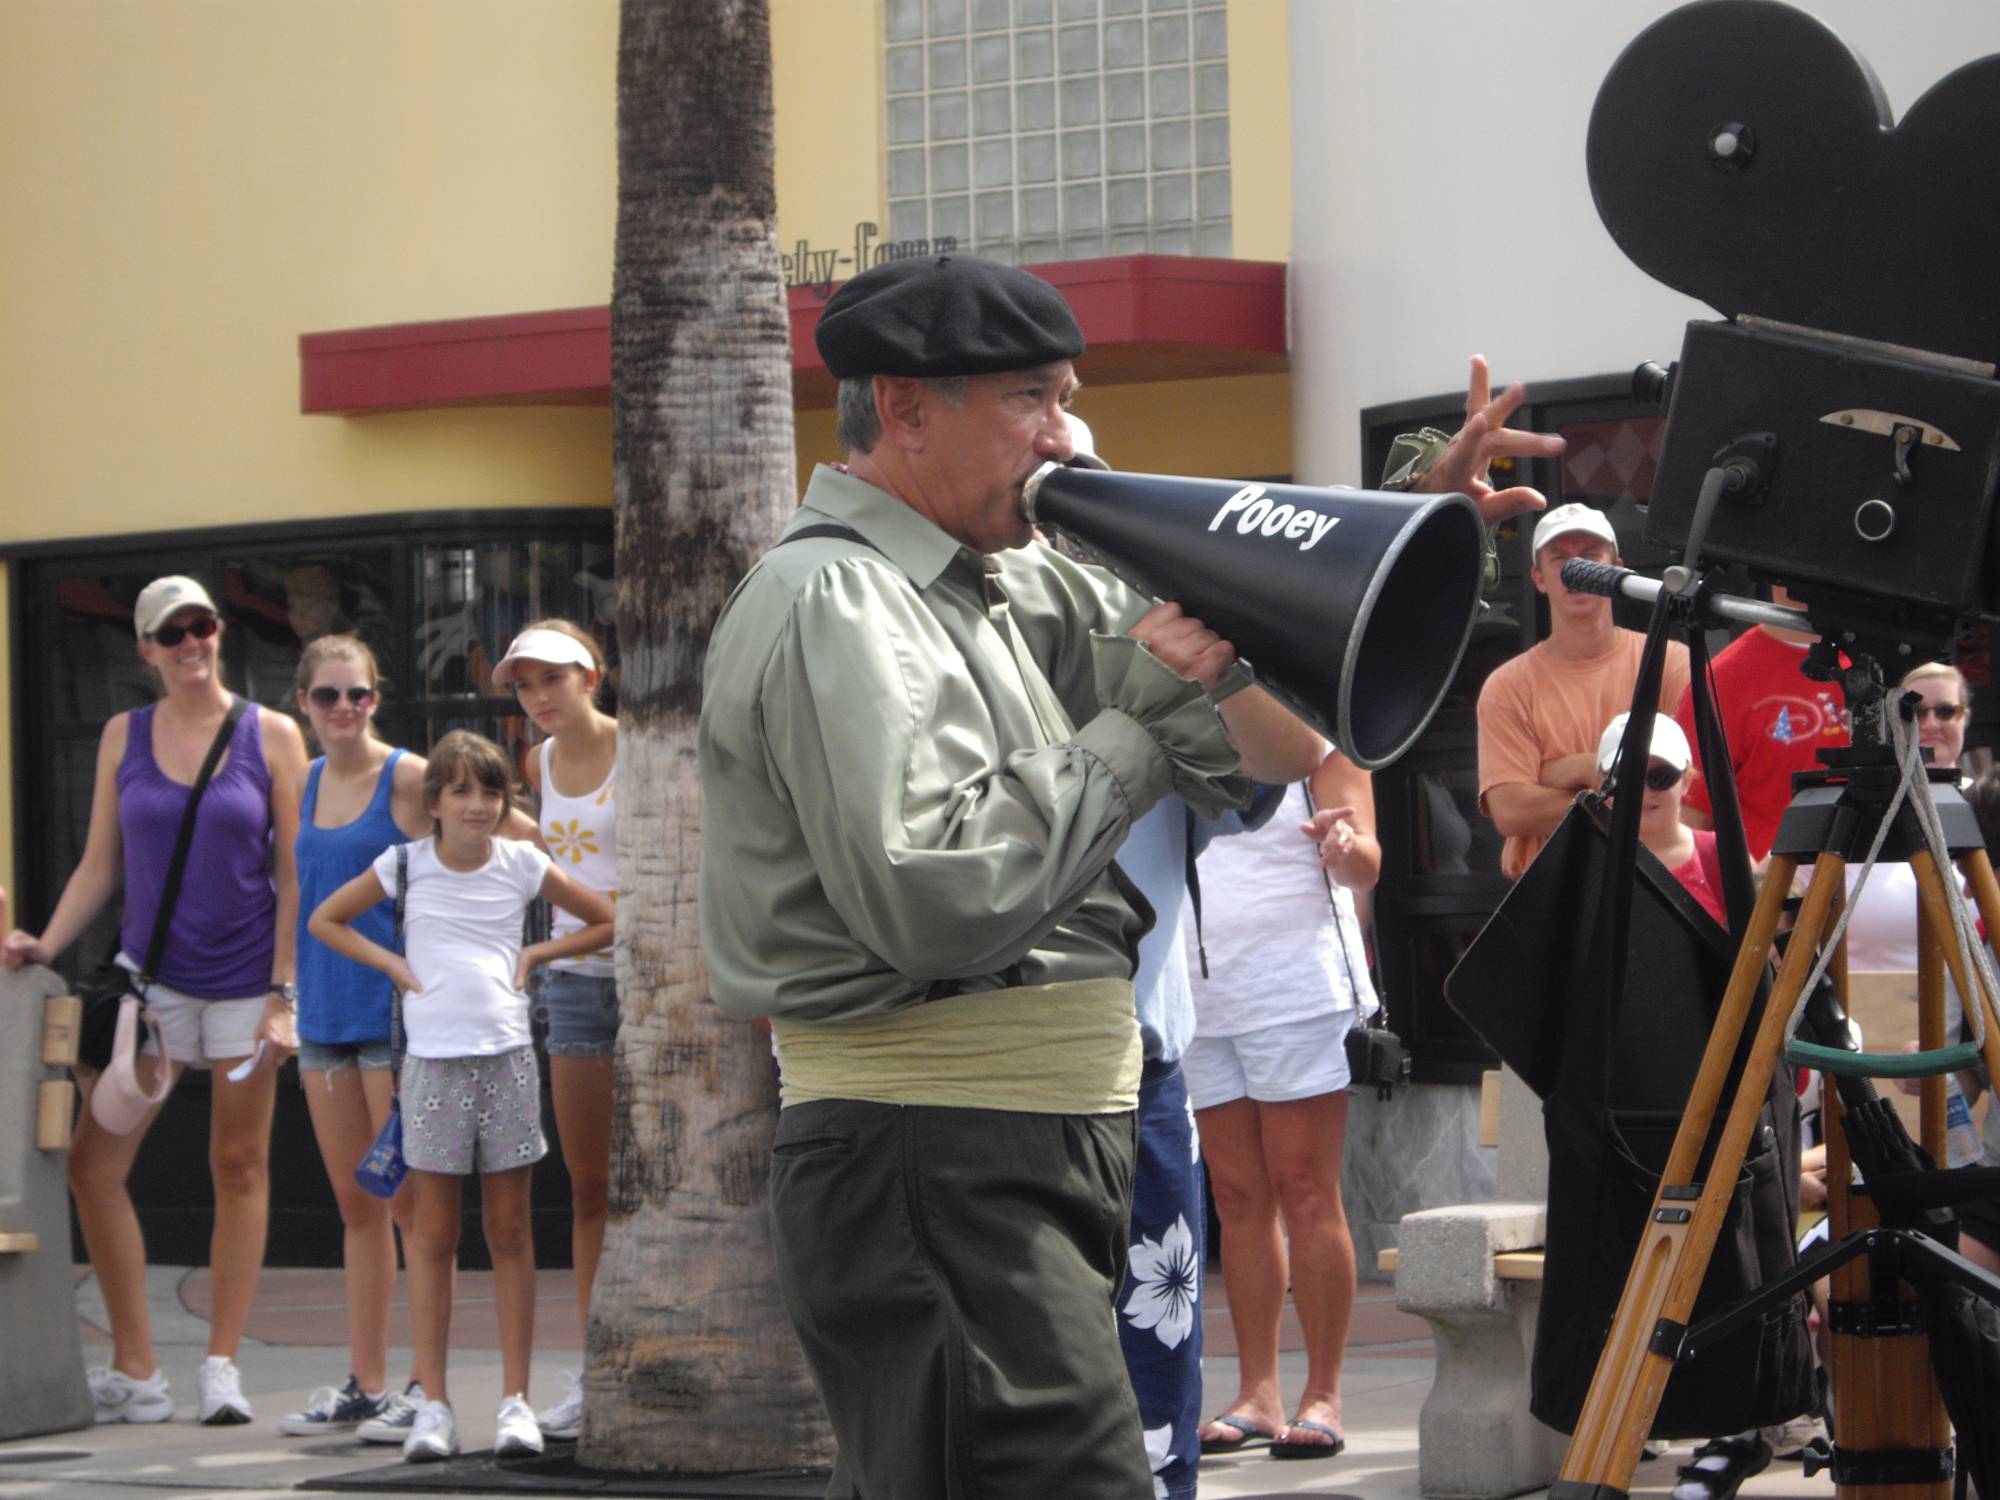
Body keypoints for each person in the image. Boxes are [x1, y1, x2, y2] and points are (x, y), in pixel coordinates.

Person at [698, 253, 1554, 1495]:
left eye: (1065, 394)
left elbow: (1267, 745)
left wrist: (1372, 544)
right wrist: (1131, 728)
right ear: (905, 406)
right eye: (1029, 399)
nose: (1062, 436)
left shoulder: (993, 582)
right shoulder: (834, 596)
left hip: (1026, 1136)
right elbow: (937, 895)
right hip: (933, 1139)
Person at [1056, 415, 1321, 1497]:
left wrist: (1197, 629)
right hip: (980, 1078)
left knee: (1151, 1397)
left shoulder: (1156, 647)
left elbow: (1289, 753)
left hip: (1139, 1071)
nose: (1068, 519)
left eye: (1084, 488)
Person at [2, 576, 308, 1425]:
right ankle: (137, 1368)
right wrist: (44, 943)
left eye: (201, 625)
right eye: (170, 633)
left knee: (238, 1165)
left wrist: (285, 994)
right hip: (153, 988)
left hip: (247, 989)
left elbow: (293, 876)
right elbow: (99, 863)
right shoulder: (121, 735)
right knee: (96, 1169)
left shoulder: (271, 733)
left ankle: (221, 1367)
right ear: (144, 650)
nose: (189, 643)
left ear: (219, 633)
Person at [309, 732, 614, 1464]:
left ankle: (516, 1400)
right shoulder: (403, 864)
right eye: (462, 792)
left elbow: (605, 917)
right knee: (433, 1238)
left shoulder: (522, 862)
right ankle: (434, 1404)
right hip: (431, 1069)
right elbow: (325, 918)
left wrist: (539, 954)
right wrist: (392, 964)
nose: (478, 806)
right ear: (434, 802)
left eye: (491, 792)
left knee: (510, 1232)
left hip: (507, 1060)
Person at [1185, 747, 1378, 1461]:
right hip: (1199, 988)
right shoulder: (1172, 711)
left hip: (1294, 984)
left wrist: (1346, 845)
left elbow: (1369, 864)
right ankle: (1257, 1392)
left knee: (1305, 1190)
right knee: (1236, 1197)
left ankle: (1323, 1393)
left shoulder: (1310, 731)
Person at [278, 636, 433, 1440]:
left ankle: (422, 1383)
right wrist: (281, 994)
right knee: (355, 1204)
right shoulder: (301, 782)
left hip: (391, 1020)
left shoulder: (406, 775)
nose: (344, 710)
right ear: (302, 702)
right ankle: (366, 1382)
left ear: (378, 698)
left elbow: (500, 826)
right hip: (322, 1021)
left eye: (360, 695)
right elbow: (292, 892)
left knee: (405, 1200)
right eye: (328, 696)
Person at [493, 620, 621, 1444]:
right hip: (577, 985)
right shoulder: (534, 765)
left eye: (552, 678)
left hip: (669, 983)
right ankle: (598, 1369)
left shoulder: (650, 745)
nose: (538, 697)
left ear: (591, 674)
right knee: (588, 1188)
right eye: (523, 684)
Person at [1477, 503, 1691, 879]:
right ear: (1538, 578)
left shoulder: (1671, 664)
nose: (1576, 570)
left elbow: (1693, 789)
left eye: (1590, 556)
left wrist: (1556, 773)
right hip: (1552, 891)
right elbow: (1511, 810)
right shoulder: (1507, 686)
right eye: (1560, 559)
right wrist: (1611, 779)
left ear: (1617, 568)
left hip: (1663, 883)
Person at [1671, 584, 1848, 862]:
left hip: (1875, 882)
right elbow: (1693, 820)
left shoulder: (1880, 662)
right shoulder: (1723, 680)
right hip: (1770, 892)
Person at [1596, 712, 1724, 924]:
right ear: (1602, 783)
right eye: (1627, 777)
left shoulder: (1719, 856)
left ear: (1687, 781)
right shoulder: (1580, 858)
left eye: (1660, 776)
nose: (1643, 791)